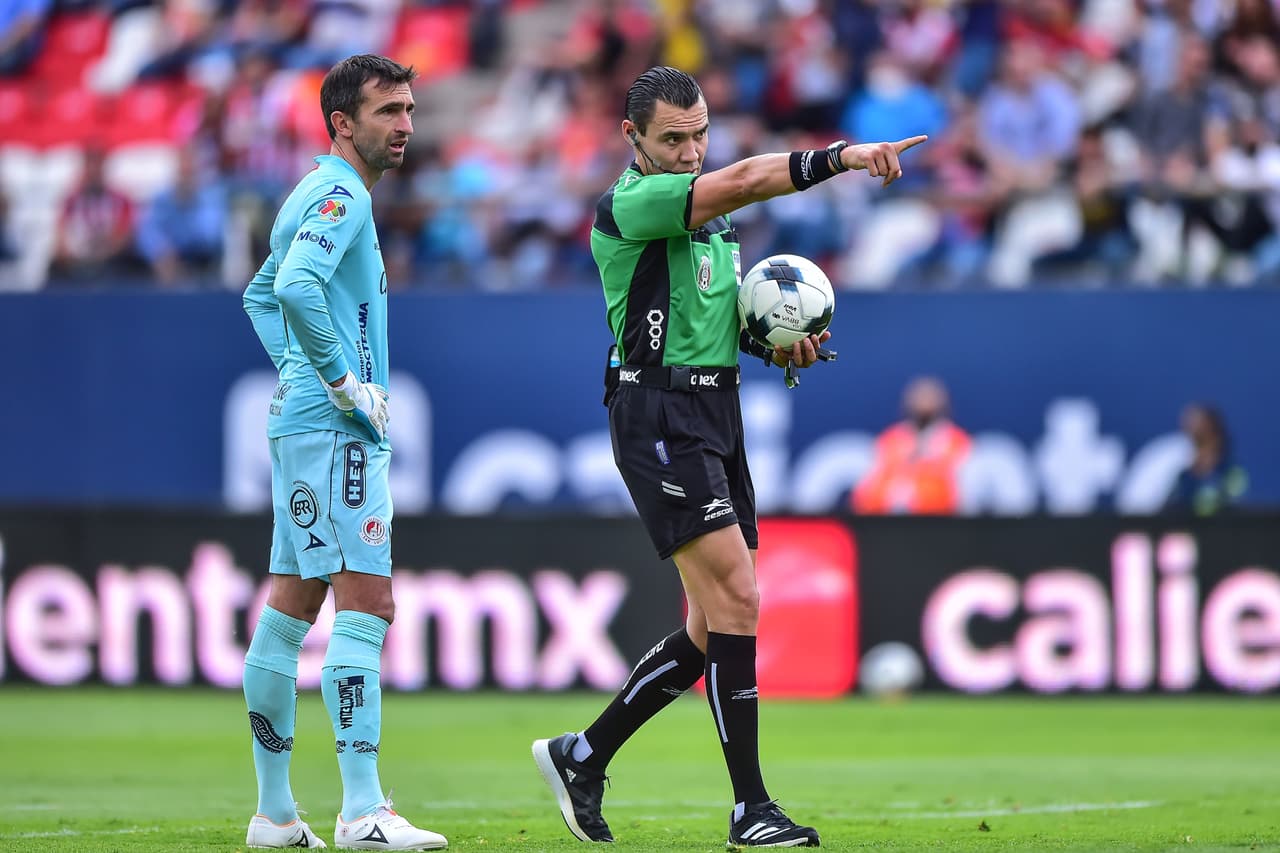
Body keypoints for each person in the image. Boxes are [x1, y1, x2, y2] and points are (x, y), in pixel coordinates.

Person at [531, 65, 925, 849]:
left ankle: (583, 754)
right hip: (658, 414)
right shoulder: (634, 202)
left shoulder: (710, 227)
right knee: (740, 597)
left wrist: (778, 343)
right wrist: (842, 157)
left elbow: (717, 322)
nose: (689, 150)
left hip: (715, 410)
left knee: (712, 626)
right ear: (632, 138)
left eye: (700, 133)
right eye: (672, 138)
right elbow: (745, 180)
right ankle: (752, 808)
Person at [240, 54, 446, 851]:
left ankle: (273, 815)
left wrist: (299, 373)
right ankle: (362, 810)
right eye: (388, 111)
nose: (405, 126)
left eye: (409, 109)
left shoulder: (309, 190)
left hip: (305, 424)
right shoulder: (343, 193)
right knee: (368, 603)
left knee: (290, 607)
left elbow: (263, 292)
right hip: (334, 431)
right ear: (342, 123)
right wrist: (339, 382)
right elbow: (290, 288)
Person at [852, 376, 972, 515]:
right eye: (919, 397)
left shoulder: (957, 442)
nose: (924, 402)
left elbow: (966, 493)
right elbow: (867, 492)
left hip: (941, 522)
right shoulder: (890, 440)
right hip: (890, 522)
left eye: (930, 397)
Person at [1163, 403, 1249, 515]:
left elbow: (1237, 507)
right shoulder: (1184, 476)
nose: (1189, 424)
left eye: (1196, 420)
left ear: (1211, 427)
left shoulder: (1231, 472)